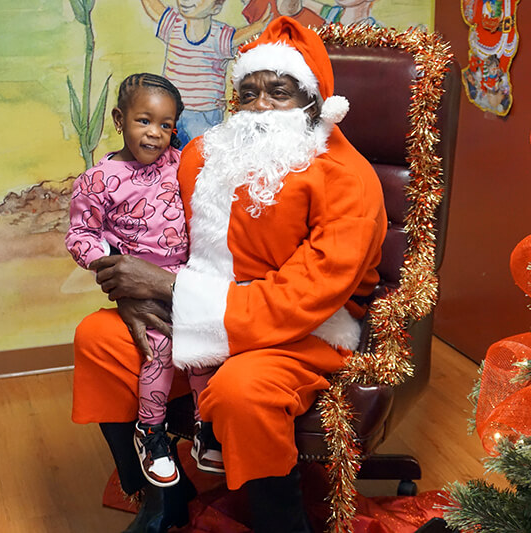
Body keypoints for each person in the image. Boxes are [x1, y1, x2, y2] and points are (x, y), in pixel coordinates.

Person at [73, 17, 387, 532]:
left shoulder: (347, 179)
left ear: (312, 102)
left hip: (300, 330)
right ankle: (161, 497)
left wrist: (168, 287)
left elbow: (307, 296)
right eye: (248, 92)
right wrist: (130, 291)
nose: (259, 106)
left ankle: (281, 524)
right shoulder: (204, 153)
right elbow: (147, 234)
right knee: (100, 338)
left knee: (244, 390)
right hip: (196, 311)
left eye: (278, 92)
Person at [66, 73, 223, 491]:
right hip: (139, 284)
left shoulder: (179, 163)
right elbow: (81, 235)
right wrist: (113, 269)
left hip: (187, 280)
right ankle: (151, 434)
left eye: (165, 125)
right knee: (159, 351)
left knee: (204, 347)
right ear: (119, 120)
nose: (155, 133)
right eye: (144, 121)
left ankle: (207, 428)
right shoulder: (98, 180)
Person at [139, 0, 271, 146]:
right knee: (170, 154)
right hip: (171, 111)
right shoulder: (174, 24)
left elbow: (239, 37)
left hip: (204, 115)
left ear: (216, 7)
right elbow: (154, 8)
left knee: (200, 154)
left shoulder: (220, 35)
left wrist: (259, 26)